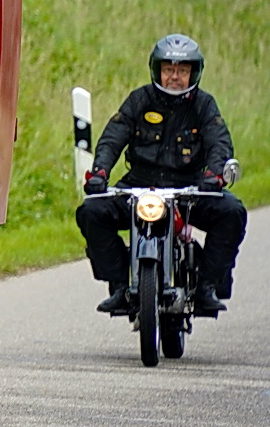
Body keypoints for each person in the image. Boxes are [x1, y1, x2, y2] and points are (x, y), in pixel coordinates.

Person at [77, 34, 246, 316]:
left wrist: (214, 174)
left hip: (189, 191)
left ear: (194, 72)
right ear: (158, 70)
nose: (174, 77)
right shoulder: (140, 100)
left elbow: (219, 142)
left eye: (182, 71)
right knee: (91, 211)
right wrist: (100, 173)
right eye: (169, 70)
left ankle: (206, 286)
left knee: (232, 212)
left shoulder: (204, 105)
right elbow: (112, 137)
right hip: (138, 187)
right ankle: (119, 285)